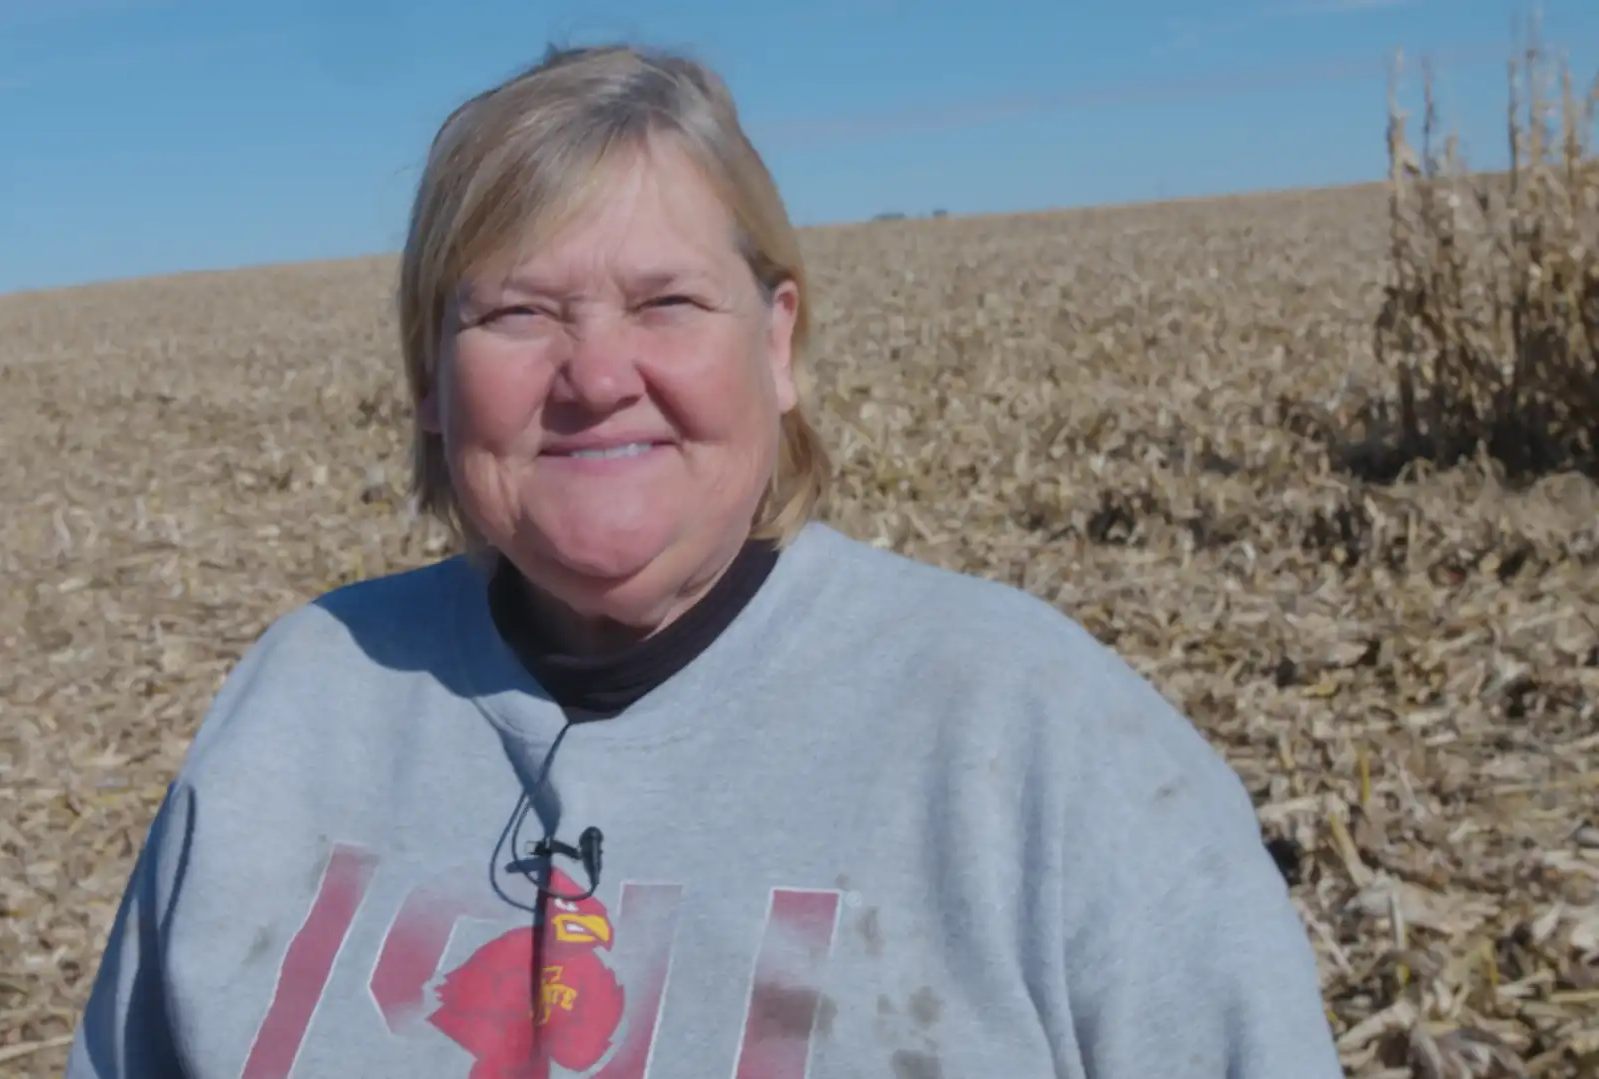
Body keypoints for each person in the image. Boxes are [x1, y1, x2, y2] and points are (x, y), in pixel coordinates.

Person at [65, 42, 1345, 1079]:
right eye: (518, 311)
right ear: (430, 380)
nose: (596, 376)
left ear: (777, 344)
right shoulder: (298, 709)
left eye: (665, 301)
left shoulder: (1041, 744)